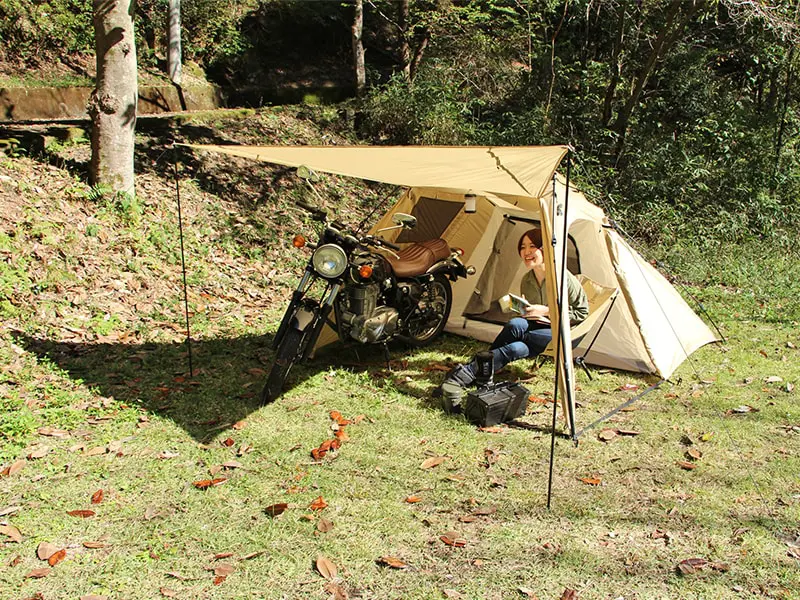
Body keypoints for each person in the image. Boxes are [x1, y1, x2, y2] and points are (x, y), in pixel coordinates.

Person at [442, 227, 589, 389]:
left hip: (562, 332)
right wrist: (526, 310)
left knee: (520, 334)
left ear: (545, 249)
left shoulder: (563, 278)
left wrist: (547, 311)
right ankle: (484, 369)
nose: (526, 251)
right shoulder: (527, 280)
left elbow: (582, 313)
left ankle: (472, 369)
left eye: (532, 246)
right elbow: (533, 313)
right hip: (539, 327)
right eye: (522, 247)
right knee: (515, 330)